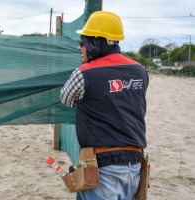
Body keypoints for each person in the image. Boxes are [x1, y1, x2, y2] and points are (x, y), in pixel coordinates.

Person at [60, 11, 149, 200]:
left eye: (83, 42)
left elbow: (65, 99)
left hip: (103, 166)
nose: (80, 48)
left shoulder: (84, 73)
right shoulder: (140, 71)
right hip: (135, 163)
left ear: (95, 42)